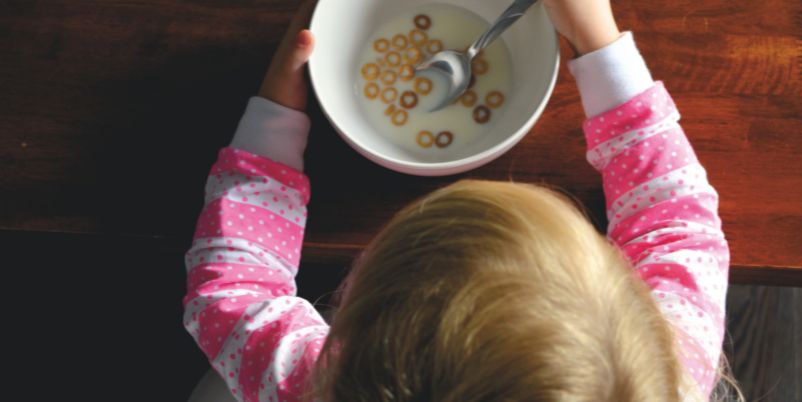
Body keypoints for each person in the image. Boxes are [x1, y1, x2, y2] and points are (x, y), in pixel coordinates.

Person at [184, 1, 740, 400]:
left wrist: (276, 113)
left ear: (356, 328)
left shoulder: (316, 384)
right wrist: (598, 39)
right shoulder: (664, 373)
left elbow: (232, 294)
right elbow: (676, 222)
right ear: (633, 308)